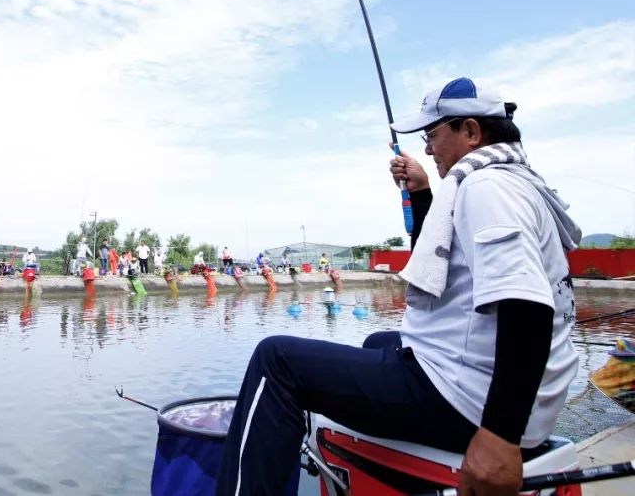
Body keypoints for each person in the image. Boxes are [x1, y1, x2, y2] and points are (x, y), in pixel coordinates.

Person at [215, 78, 581, 496]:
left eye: (432, 135)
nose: (427, 148)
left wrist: (499, 438)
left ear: (471, 132)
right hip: (510, 395)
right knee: (378, 341)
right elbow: (444, 270)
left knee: (276, 360)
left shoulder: (487, 188)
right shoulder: (513, 182)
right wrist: (423, 193)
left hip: (469, 401)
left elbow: (526, 308)